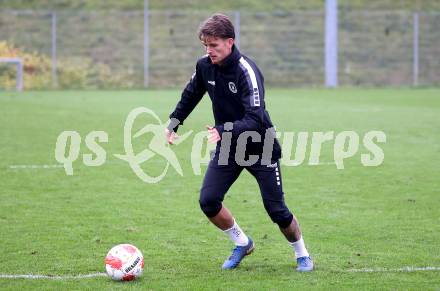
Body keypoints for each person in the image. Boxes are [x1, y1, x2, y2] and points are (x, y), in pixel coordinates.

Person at [166, 13, 313, 272]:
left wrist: (223, 129)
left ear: (230, 42)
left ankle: (302, 254)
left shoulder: (247, 70)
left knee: (276, 210)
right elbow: (190, 95)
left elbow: (255, 118)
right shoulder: (204, 66)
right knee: (208, 201)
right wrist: (173, 123)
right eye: (205, 45)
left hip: (260, 145)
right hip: (230, 147)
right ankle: (242, 243)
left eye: (214, 45)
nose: (209, 50)